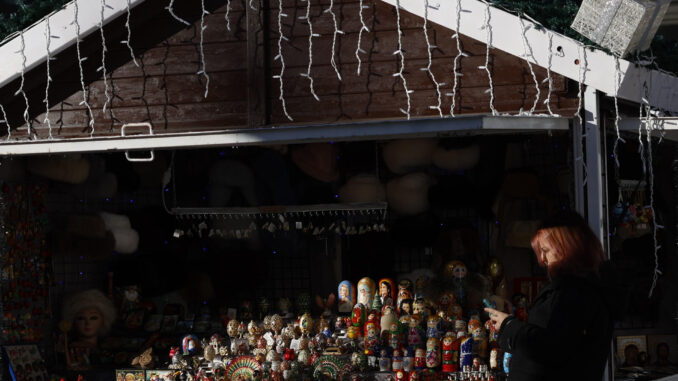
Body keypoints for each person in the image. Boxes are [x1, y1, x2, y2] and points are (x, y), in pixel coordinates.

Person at [485, 210, 624, 381]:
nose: (542, 260)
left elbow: (553, 348)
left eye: (545, 250)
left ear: (567, 248)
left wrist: (509, 325)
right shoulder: (579, 289)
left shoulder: (577, 292)